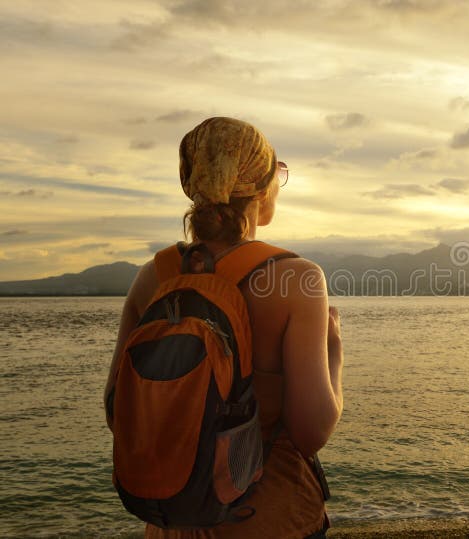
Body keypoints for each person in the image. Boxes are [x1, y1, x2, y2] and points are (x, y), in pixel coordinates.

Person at [103, 117, 344, 538]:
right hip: (272, 519)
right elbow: (311, 432)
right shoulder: (297, 279)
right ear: (264, 191)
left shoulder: (153, 275)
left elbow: (114, 408)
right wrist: (334, 355)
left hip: (173, 521)